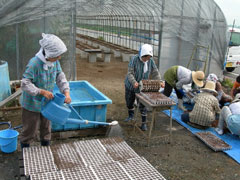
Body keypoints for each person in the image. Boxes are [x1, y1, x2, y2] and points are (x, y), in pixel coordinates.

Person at [19, 33, 71, 148]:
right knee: (30, 129)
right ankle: (25, 149)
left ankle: (46, 148)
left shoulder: (54, 62)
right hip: (31, 104)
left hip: (47, 102)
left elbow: (60, 76)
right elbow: (25, 83)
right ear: (48, 53)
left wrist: (66, 92)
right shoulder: (34, 64)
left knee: (46, 128)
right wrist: (41, 92)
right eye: (57, 55)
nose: (59, 58)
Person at [124, 44, 161, 131]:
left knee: (142, 105)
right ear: (142, 55)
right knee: (129, 101)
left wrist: (159, 81)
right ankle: (131, 115)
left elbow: (155, 72)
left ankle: (144, 124)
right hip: (131, 85)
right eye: (145, 58)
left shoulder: (150, 61)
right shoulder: (134, 59)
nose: (147, 60)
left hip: (142, 86)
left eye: (148, 58)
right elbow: (130, 73)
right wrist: (134, 82)